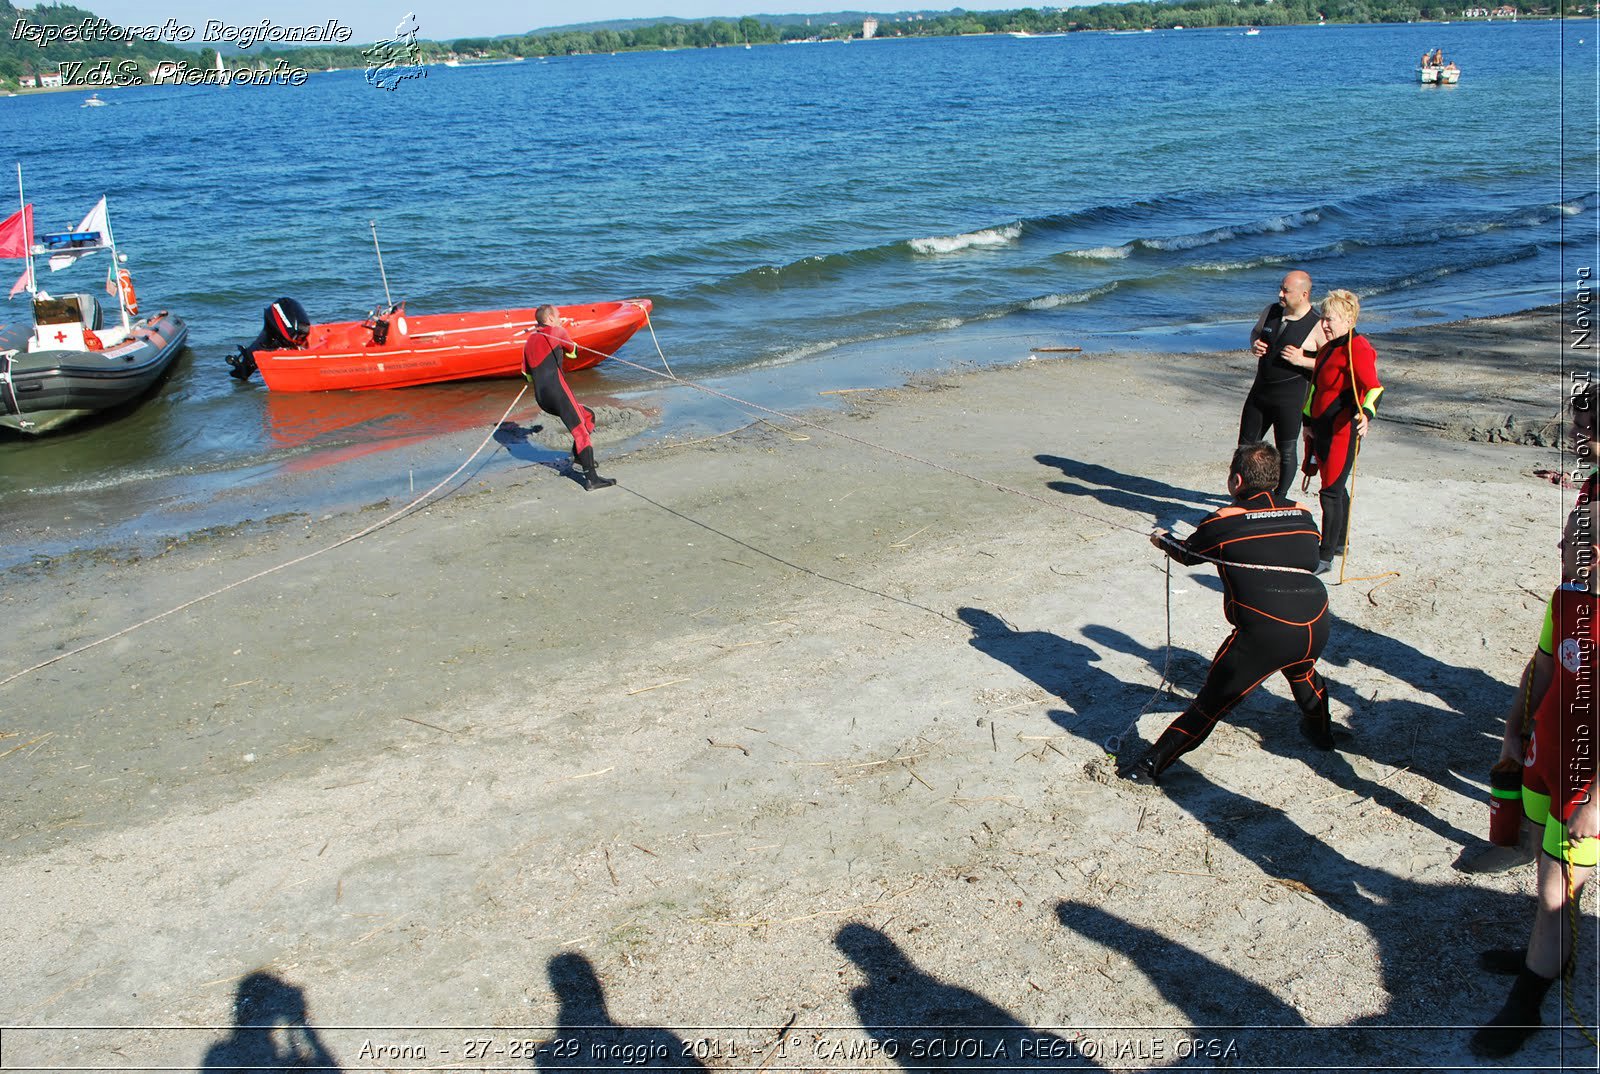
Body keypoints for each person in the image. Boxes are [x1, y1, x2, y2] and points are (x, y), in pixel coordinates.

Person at [1119, 442, 1334, 784]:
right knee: (1303, 673)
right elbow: (1310, 554)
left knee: (1211, 703)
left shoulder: (1223, 520)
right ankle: (1322, 735)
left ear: (1236, 481)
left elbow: (1187, 554)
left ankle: (1149, 766)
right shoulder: (1302, 512)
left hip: (1266, 632)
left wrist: (1161, 539)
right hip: (1316, 621)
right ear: (1275, 479)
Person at [1470, 498, 1599, 1059]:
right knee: (1545, 865)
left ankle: (1527, 999)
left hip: (1588, 779)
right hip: (1549, 755)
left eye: (1569, 540)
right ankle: (1548, 955)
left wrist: (1595, 800)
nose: (1559, 546)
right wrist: (1513, 728)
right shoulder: (1566, 597)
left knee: (1555, 888)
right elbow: (1543, 666)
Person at [1301, 289, 1383, 574]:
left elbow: (1374, 387)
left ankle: (1325, 557)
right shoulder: (1328, 347)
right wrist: (1307, 421)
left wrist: (1367, 414)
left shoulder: (1357, 348)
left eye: (1330, 319)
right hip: (1320, 428)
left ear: (1349, 319)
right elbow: (1316, 389)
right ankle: (1340, 542)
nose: (1324, 324)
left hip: (1342, 430)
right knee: (1334, 487)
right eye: (1323, 318)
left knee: (1330, 493)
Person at [1239, 270, 1328, 501]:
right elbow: (1256, 332)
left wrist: (1302, 360)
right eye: (1280, 288)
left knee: (1285, 451)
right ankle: (1245, 496)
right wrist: (1254, 345)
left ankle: (1279, 498)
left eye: (1286, 291)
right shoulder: (1271, 311)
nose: (1280, 294)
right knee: (1244, 448)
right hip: (1259, 393)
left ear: (1304, 294)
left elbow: (1331, 365)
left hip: (1290, 399)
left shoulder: (1317, 324)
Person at [523, 305, 616, 491]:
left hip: (542, 398)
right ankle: (591, 479)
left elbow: (527, 375)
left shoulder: (530, 340)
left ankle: (581, 457)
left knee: (588, 415)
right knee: (580, 430)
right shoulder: (556, 331)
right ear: (549, 318)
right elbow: (573, 352)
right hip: (557, 392)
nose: (560, 318)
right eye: (557, 316)